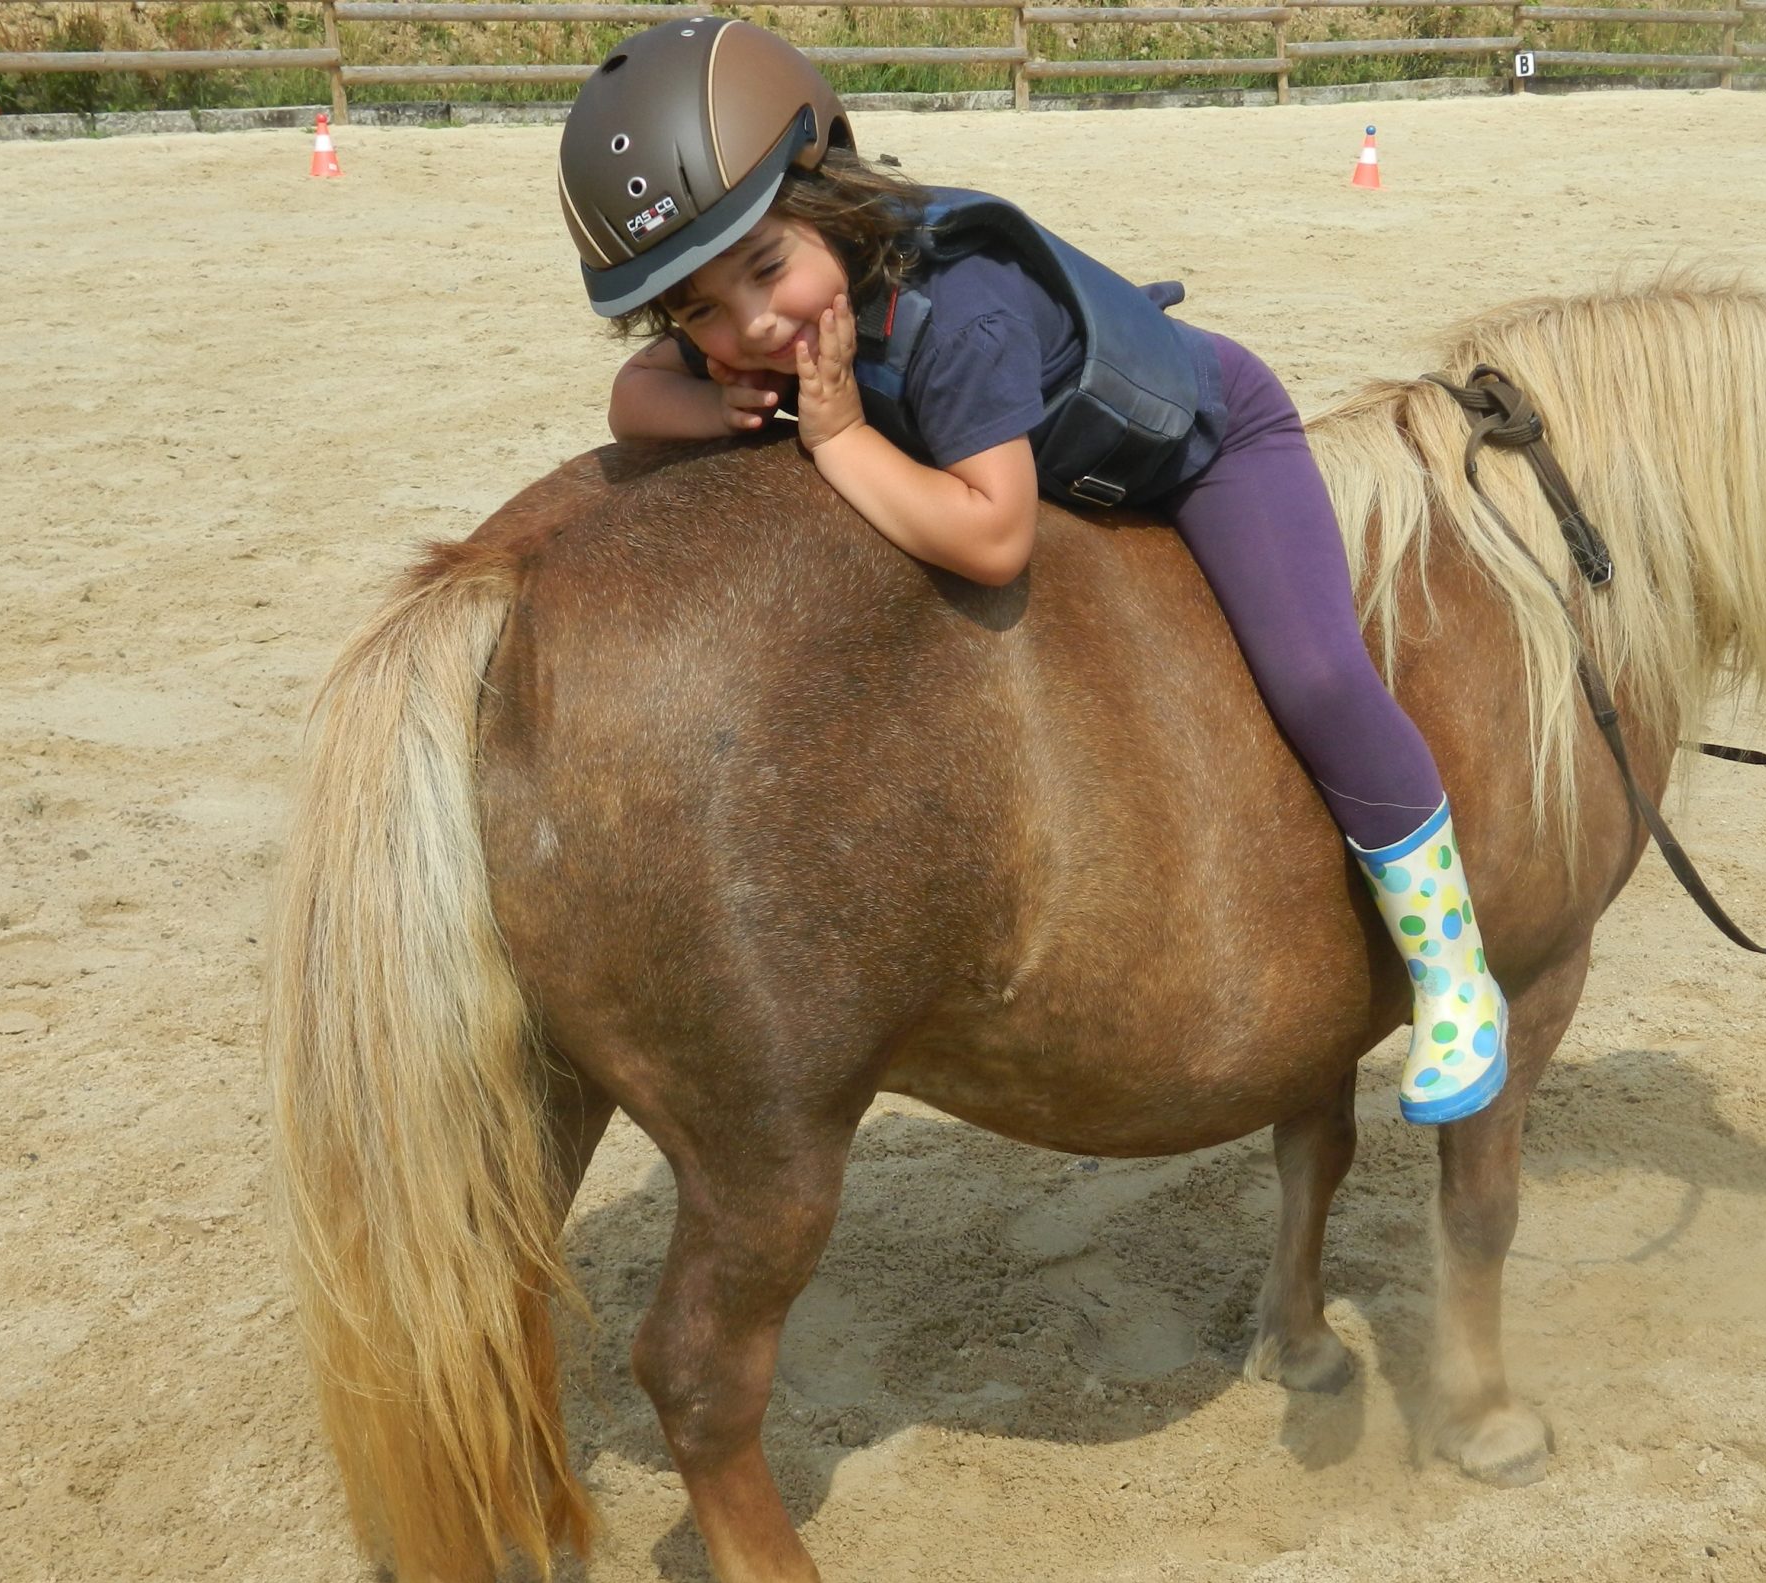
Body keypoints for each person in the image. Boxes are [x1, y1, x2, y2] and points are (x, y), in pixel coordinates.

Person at [559, 19, 1509, 1124]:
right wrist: (704, 400)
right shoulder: (763, 327)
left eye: (766, 270)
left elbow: (993, 535)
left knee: (1315, 676)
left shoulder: (960, 314)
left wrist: (837, 442)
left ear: (829, 193)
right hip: (1041, 456)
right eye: (698, 311)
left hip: (1205, 446)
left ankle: (1454, 971)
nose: (753, 325)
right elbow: (632, 398)